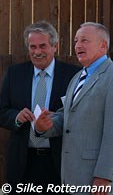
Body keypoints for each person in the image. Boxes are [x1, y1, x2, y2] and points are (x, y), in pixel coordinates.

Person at [0, 21, 80, 193]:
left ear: (55, 46)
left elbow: (79, 117)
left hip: (58, 162)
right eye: (32, 46)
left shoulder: (73, 75)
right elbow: (1, 113)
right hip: (22, 163)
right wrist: (16, 118)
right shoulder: (15, 74)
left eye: (42, 46)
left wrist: (57, 119)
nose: (37, 52)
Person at [35, 22, 113, 194]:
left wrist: (105, 175)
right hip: (72, 178)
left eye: (85, 40)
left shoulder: (110, 76)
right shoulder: (78, 77)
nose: (78, 45)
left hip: (97, 181)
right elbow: (67, 118)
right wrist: (44, 127)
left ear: (103, 45)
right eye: (76, 41)